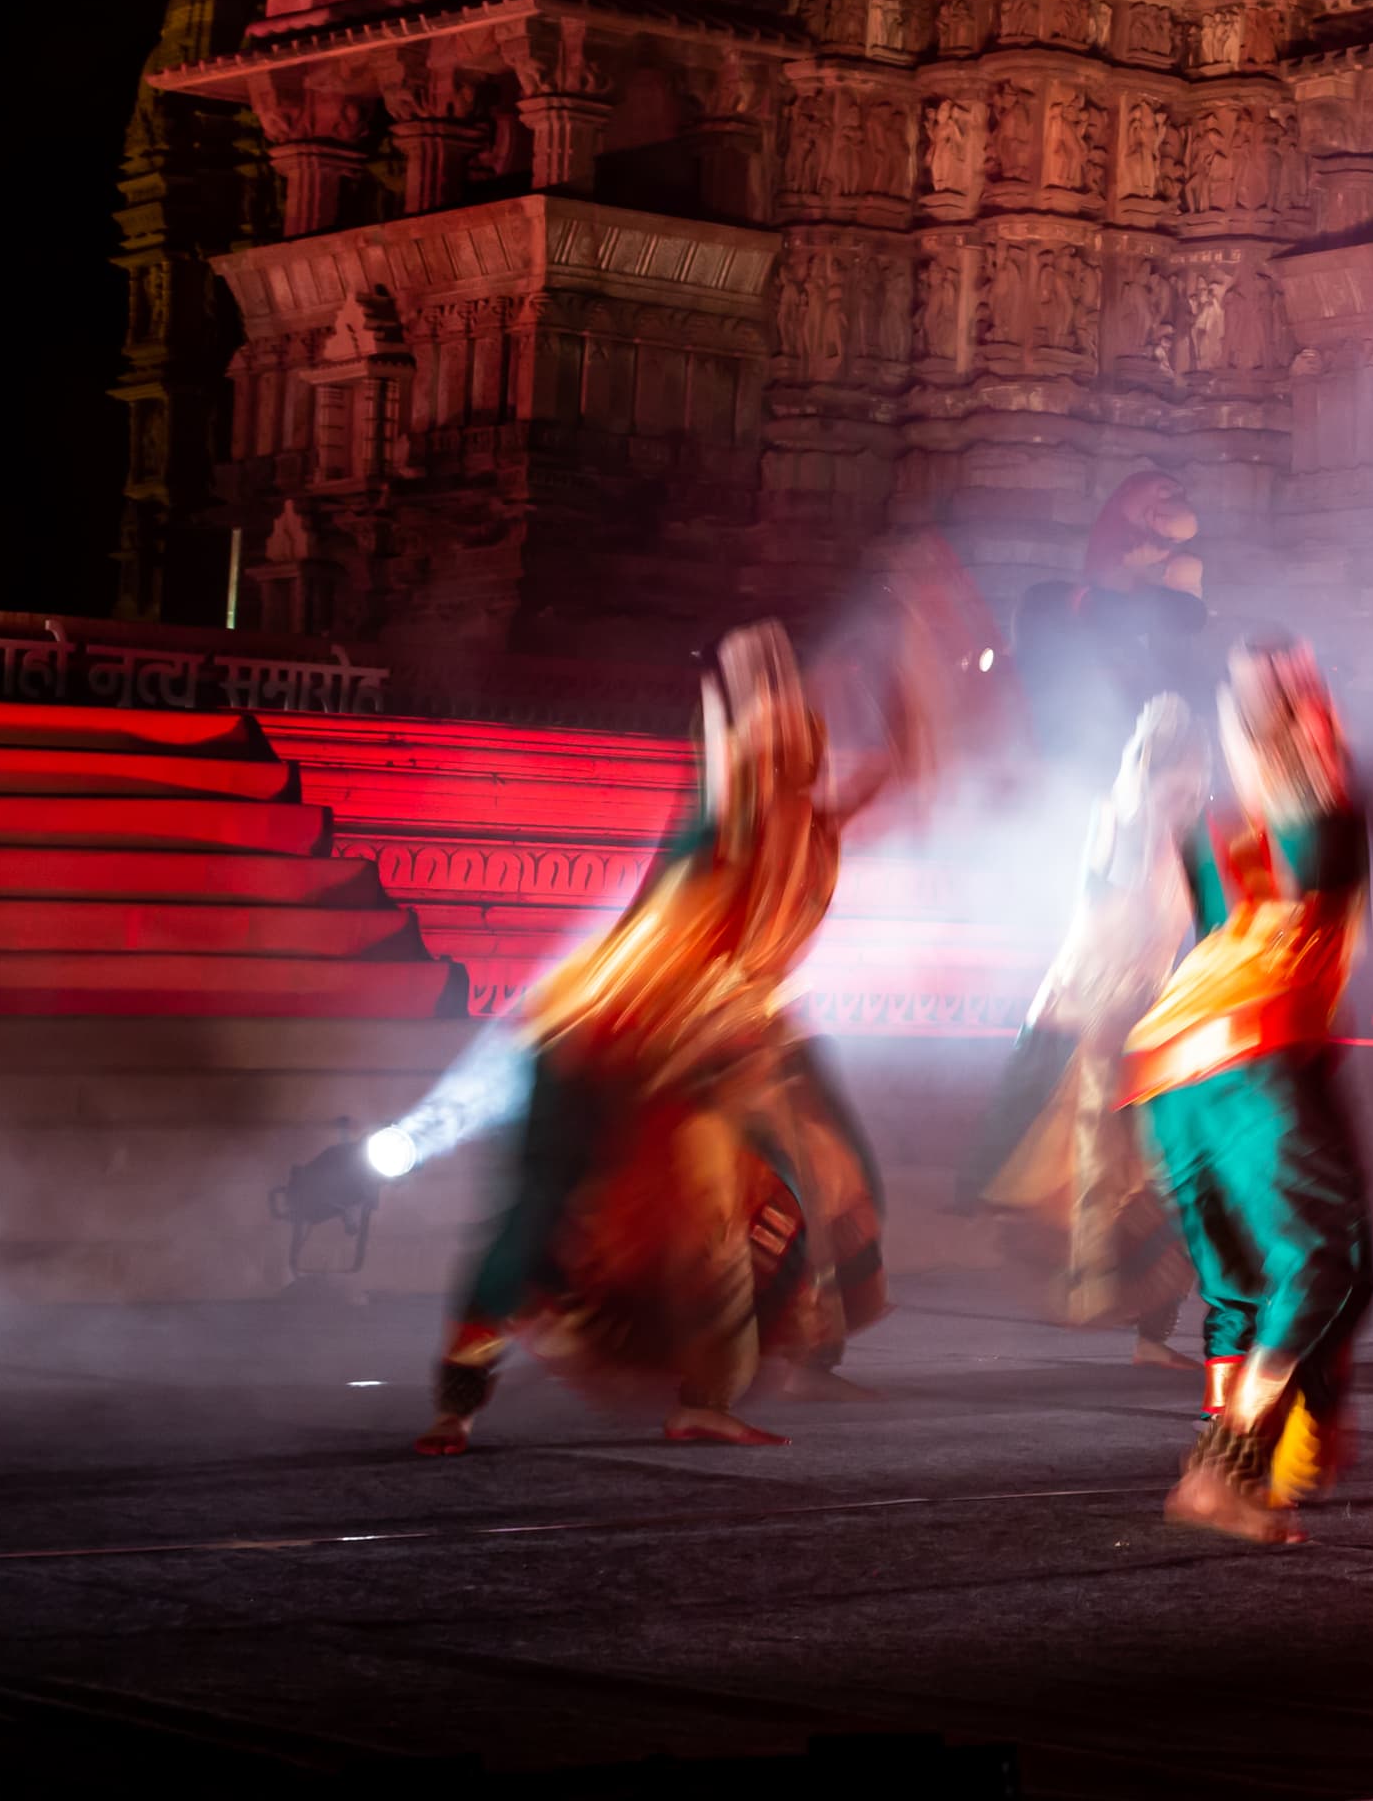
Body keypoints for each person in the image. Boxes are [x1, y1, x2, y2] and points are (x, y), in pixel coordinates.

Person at [418, 602, 954, 1454]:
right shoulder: (724, 826)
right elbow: (730, 774)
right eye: (774, 737)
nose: (797, 751)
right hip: (597, 1042)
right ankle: (458, 1401)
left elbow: (905, 773)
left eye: (802, 737)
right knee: (546, 1211)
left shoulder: (812, 829)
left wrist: (912, 674)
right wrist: (747, 690)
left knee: (759, 1204)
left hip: (700, 1050)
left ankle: (713, 1393)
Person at [1118, 638, 1373, 1544]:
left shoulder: (1216, 834)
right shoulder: (1325, 820)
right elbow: (1321, 837)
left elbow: (1196, 940)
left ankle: (1231, 1465)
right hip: (1246, 1055)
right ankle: (1224, 1467)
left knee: (1237, 1285)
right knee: (1324, 1265)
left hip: (1167, 1071)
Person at [954, 695, 1204, 1369]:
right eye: (1186, 778)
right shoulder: (1121, 826)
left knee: (1167, 1174)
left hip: (1142, 1025)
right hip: (1096, 1021)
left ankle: (1151, 1329)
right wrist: (1106, 1017)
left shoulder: (1178, 840)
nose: (1197, 792)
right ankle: (1102, 1300)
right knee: (1109, 1173)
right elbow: (1103, 927)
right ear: (1161, 768)